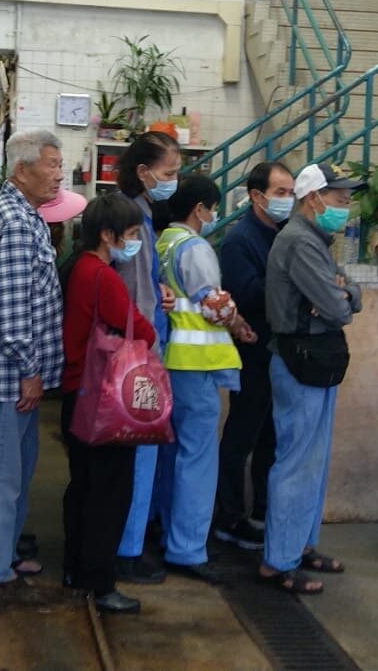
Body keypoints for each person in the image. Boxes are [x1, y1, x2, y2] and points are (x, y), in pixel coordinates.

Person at [258, 162, 364, 595]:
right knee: (297, 462)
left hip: (315, 359)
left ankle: (300, 546)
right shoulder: (301, 242)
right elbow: (339, 309)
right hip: (299, 359)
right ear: (313, 198)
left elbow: (348, 296)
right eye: (340, 199)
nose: (346, 206)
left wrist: (340, 293)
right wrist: (337, 298)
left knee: (312, 463)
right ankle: (278, 561)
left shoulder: (318, 240)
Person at [0, 130, 66, 593]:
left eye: (59, 164)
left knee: (18, 475)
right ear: (21, 169)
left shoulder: (26, 215)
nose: (59, 173)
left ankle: (3, 555)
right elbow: (9, 311)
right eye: (50, 164)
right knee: (1, 479)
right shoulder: (12, 220)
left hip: (23, 376)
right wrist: (29, 370)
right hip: (11, 378)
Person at [154, 174, 255, 583]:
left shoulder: (162, 243)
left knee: (172, 455)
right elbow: (213, 304)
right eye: (213, 208)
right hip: (196, 364)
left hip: (169, 360)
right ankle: (188, 548)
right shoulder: (194, 247)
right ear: (200, 209)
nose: (214, 216)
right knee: (198, 459)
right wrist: (241, 324)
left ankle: (167, 533)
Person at [60, 194, 156, 615]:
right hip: (102, 398)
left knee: (83, 488)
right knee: (109, 493)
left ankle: (76, 571)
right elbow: (145, 333)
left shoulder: (76, 267)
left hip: (76, 391)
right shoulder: (103, 276)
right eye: (131, 234)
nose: (134, 242)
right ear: (107, 235)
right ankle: (100, 582)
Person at [110, 132, 180, 584]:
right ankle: (127, 549)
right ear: (143, 172)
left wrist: (160, 291)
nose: (173, 182)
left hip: (135, 346)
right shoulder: (133, 216)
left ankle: (127, 543)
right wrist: (148, 355)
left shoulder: (137, 211)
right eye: (169, 173)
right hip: (138, 353)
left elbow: (143, 286)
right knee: (139, 456)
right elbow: (133, 294)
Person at [214, 161, 293, 549]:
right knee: (241, 435)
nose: (288, 200)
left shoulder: (282, 234)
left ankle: (262, 509)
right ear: (257, 196)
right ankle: (228, 516)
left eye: (291, 192)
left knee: (270, 437)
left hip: (278, 353)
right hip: (252, 350)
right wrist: (291, 285)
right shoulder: (239, 241)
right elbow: (245, 294)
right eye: (281, 193)